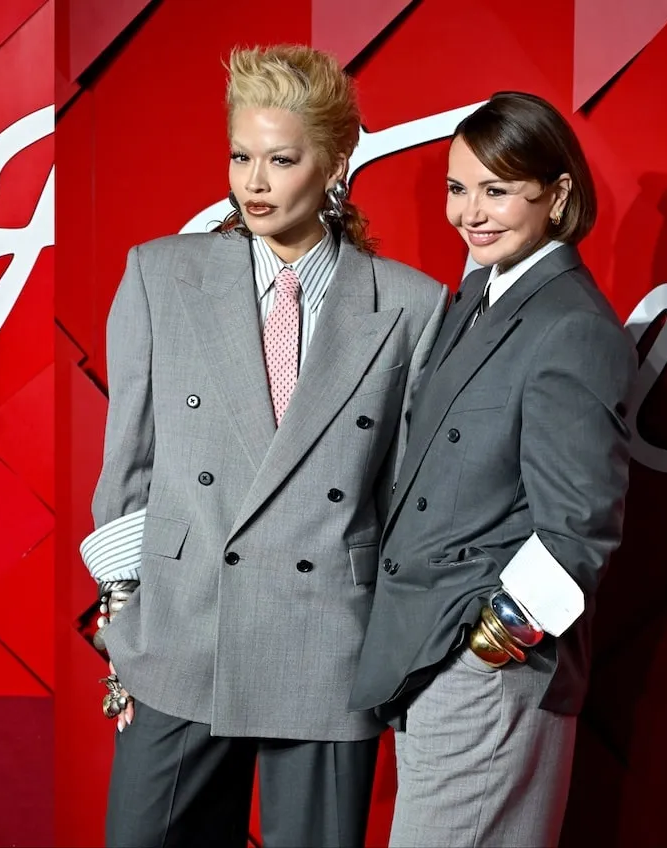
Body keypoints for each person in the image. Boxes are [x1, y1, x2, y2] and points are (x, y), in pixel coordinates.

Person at [81, 45, 448, 848]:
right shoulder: (158, 276)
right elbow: (127, 468)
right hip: (183, 633)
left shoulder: (413, 307)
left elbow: (405, 496)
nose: (254, 182)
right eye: (241, 156)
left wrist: (394, 647)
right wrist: (124, 626)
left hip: (325, 642)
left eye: (281, 160)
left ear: (336, 162)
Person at [349, 91, 639, 848]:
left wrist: (485, 649)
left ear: (558, 193)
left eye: (498, 189)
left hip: (487, 676)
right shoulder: (482, 291)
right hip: (429, 660)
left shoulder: (570, 325)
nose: (470, 212)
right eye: (458, 187)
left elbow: (579, 527)